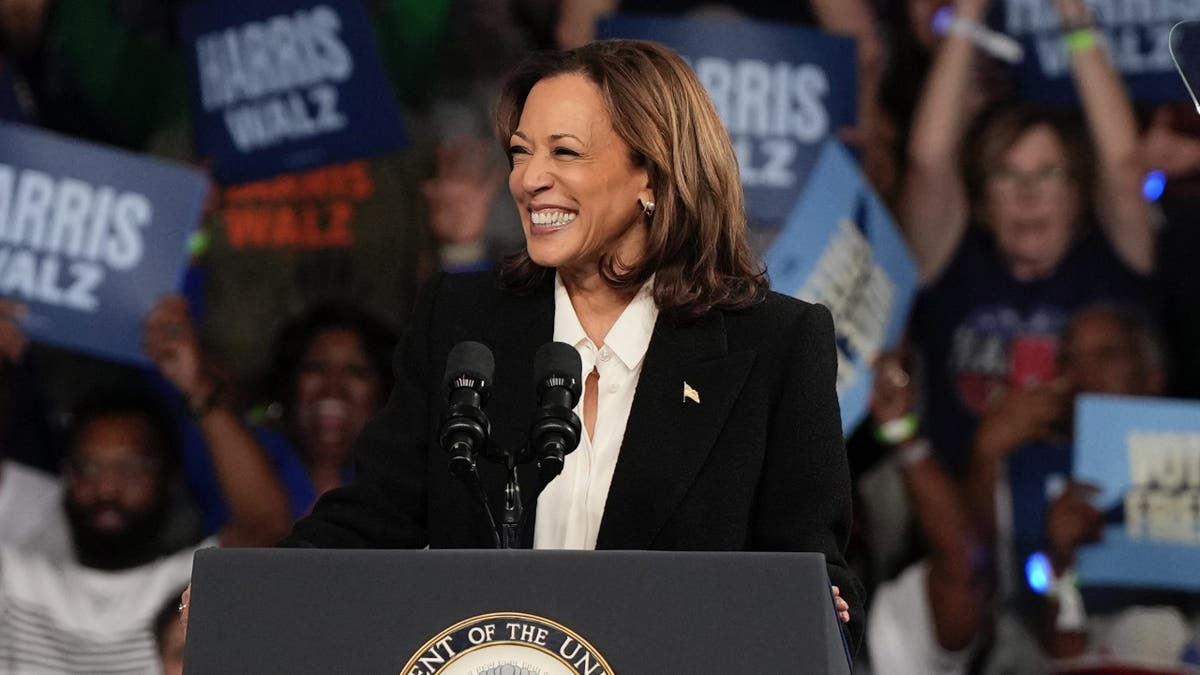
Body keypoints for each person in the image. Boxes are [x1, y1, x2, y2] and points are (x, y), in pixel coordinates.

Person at [266, 38, 862, 649]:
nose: (528, 180)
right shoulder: (462, 320)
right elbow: (374, 514)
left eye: (565, 153)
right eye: (521, 154)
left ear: (651, 174)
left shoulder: (775, 345)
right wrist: (253, 589)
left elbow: (814, 584)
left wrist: (820, 608)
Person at [900, 0, 1157, 476]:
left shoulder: (1111, 262)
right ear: (982, 200)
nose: (1027, 195)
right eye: (1006, 175)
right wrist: (968, 14)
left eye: (1048, 175)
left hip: (1100, 515)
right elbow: (928, 162)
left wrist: (1073, 15)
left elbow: (1124, 165)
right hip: (965, 518)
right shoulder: (952, 265)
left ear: (1079, 194)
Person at [0, 385, 290, 673]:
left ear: (171, 479)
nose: (108, 489)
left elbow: (266, 526)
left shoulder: (192, 588)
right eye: (89, 467)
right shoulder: (13, 582)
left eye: (131, 469)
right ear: (67, 475)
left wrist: (198, 388)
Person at [264, 302, 396, 499]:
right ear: (289, 383)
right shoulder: (248, 460)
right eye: (315, 367)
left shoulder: (403, 486)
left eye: (356, 372)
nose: (333, 388)